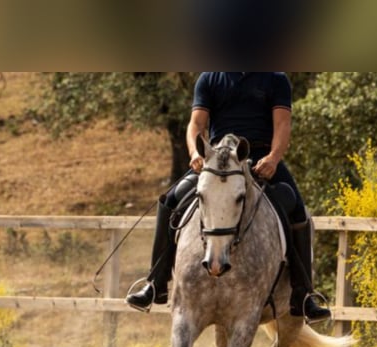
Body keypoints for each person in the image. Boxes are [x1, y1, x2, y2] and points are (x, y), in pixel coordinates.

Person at [125, 72, 330, 323]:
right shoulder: (209, 78)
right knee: (171, 199)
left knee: (297, 209)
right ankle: (155, 283)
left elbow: (282, 124)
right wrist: (194, 153)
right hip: (216, 160)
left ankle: (303, 294)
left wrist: (274, 158)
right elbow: (196, 125)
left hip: (259, 159)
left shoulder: (275, 79)